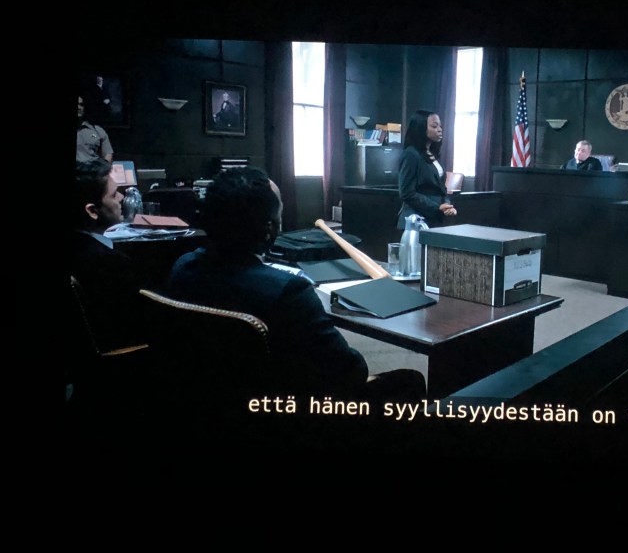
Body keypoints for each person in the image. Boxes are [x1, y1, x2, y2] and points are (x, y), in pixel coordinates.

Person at [162, 167, 372, 396]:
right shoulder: (289, 292)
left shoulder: (183, 267)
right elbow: (348, 371)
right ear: (270, 228)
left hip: (198, 399)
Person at [70, 160, 148, 397]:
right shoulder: (111, 264)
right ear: (92, 211)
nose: (122, 198)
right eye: (114, 194)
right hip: (120, 380)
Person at [396, 109, 457, 228]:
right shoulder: (411, 154)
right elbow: (406, 192)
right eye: (434, 126)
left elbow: (441, 188)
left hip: (434, 218)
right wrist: (437, 207)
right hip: (416, 219)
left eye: (440, 126)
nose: (439, 129)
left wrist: (447, 205)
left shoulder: (433, 154)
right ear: (421, 128)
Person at [76, 95, 113, 162]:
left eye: (81, 105)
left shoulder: (97, 131)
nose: (79, 107)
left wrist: (105, 166)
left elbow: (108, 153)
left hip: (93, 167)